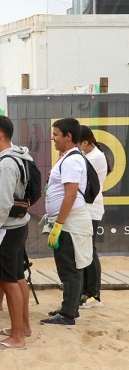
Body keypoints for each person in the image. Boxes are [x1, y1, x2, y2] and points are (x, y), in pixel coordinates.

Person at [0, 115, 33, 349]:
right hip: (17, 226)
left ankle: (17, 337)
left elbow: (1, 204)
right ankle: (22, 327)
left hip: (6, 228)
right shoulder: (20, 156)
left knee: (7, 281)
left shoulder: (6, 163)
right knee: (17, 277)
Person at [42, 118, 93, 327]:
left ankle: (68, 314)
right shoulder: (68, 157)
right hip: (67, 220)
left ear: (68, 136)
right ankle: (69, 308)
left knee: (70, 267)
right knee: (67, 267)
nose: (53, 139)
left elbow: (70, 195)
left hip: (70, 222)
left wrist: (59, 224)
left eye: (55, 135)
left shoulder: (72, 160)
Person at [79, 127, 108, 309]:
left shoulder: (94, 157)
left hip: (90, 209)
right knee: (85, 250)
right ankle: (86, 292)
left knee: (90, 249)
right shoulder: (90, 156)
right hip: (86, 209)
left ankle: (94, 295)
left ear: (85, 142)